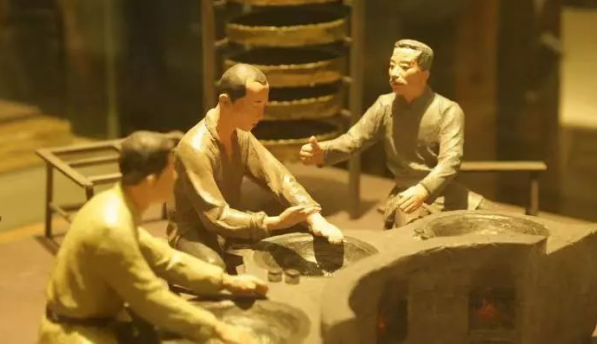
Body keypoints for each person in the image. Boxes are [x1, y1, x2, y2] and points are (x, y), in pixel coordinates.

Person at [39, 131, 267, 344]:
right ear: (151, 181)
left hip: (94, 323)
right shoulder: (112, 226)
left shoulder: (115, 204)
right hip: (75, 335)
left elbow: (164, 259)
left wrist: (225, 281)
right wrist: (216, 328)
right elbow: (149, 298)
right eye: (170, 170)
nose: (176, 176)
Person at [168, 64, 344, 269]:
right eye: (255, 105)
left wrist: (313, 216)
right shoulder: (194, 149)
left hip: (229, 220)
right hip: (194, 229)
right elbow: (215, 216)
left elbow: (278, 177)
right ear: (225, 102)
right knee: (214, 268)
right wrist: (272, 223)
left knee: (301, 235)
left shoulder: (241, 136)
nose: (261, 115)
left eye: (264, 104)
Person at [300, 40, 484, 228]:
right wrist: (324, 152)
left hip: (445, 192)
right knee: (415, 232)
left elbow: (450, 161)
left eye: (404, 67)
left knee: (495, 220)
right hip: (407, 195)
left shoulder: (447, 110)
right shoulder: (385, 106)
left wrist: (423, 190)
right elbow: (354, 140)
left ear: (425, 74)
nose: (394, 73)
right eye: (392, 66)